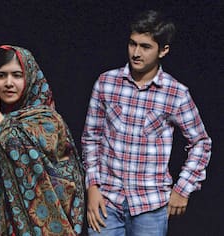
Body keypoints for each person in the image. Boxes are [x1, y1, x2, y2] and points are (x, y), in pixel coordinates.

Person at [81, 10, 212, 235]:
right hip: (107, 201)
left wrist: (182, 189)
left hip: (150, 206)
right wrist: (92, 187)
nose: (136, 53)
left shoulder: (176, 93)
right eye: (133, 44)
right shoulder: (106, 83)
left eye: (145, 46)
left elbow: (201, 142)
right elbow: (91, 138)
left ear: (163, 50)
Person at [0, 45, 86, 235]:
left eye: (17, 75)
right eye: (1, 75)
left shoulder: (47, 121)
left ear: (30, 78)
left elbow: (20, 151)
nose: (8, 83)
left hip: (32, 227)